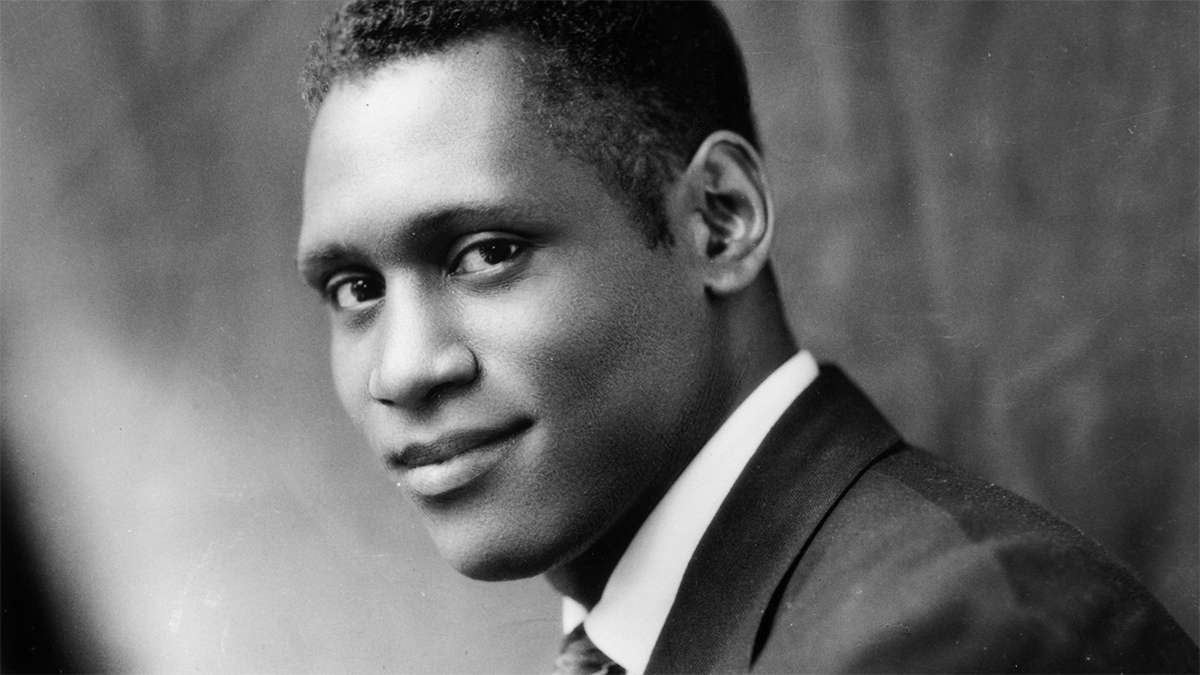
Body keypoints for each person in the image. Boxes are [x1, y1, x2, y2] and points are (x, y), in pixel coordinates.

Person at [295, 1, 1199, 672]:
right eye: (355, 287)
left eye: (488, 252)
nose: (404, 368)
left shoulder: (946, 643)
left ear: (720, 221)